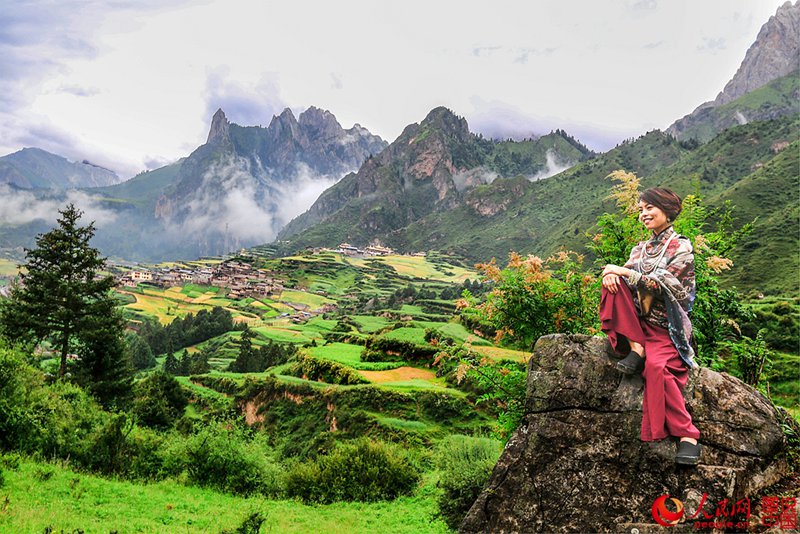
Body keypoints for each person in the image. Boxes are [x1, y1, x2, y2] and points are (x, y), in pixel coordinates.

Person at [598, 187, 702, 465]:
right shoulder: (640, 248)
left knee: (658, 369)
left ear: (666, 209)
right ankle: (636, 347)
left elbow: (665, 286)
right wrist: (612, 274)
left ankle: (687, 435)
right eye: (641, 209)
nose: (643, 214)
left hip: (666, 327)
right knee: (613, 281)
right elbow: (627, 281)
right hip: (638, 324)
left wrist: (621, 271)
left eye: (649, 208)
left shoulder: (682, 248)